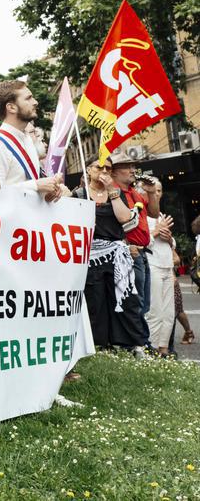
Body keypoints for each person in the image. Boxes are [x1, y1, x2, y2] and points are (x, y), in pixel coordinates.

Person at [74, 157, 144, 349]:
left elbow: (124, 218)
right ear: (89, 170)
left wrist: (112, 192)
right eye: (99, 167)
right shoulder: (79, 194)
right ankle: (99, 346)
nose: (104, 171)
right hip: (91, 258)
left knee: (125, 301)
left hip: (116, 256)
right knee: (96, 302)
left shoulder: (116, 193)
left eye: (108, 168)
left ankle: (128, 345)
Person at [109, 149, 160, 350]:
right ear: (113, 172)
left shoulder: (134, 192)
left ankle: (141, 343)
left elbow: (154, 213)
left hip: (142, 253)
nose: (133, 170)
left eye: (133, 166)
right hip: (129, 253)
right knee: (134, 302)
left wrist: (151, 192)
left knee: (143, 303)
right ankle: (139, 344)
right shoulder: (113, 192)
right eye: (127, 167)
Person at [0, 80, 64, 199]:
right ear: (11, 107)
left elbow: (27, 188)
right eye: (28, 98)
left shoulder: (28, 139)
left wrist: (47, 192)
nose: (35, 102)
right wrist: (35, 185)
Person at [144, 181, 176, 355]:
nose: (156, 194)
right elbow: (139, 241)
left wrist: (169, 238)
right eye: (153, 191)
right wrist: (156, 231)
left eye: (159, 191)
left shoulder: (161, 215)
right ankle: (152, 348)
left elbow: (173, 243)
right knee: (155, 311)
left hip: (167, 266)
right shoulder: (141, 214)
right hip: (152, 265)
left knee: (169, 313)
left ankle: (164, 348)